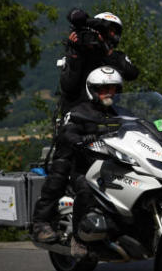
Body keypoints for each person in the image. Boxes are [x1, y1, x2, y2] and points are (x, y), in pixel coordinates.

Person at [31, 10, 138, 243]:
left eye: (112, 30)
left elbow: (131, 72)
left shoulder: (113, 56)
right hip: (76, 120)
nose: (107, 34)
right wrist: (75, 53)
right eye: (103, 29)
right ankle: (40, 222)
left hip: (106, 119)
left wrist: (106, 53)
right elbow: (68, 86)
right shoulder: (79, 51)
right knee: (63, 166)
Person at [38, 67, 123, 257]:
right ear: (92, 90)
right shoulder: (79, 112)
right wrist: (79, 139)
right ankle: (79, 237)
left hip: (113, 165)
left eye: (113, 88)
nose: (110, 92)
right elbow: (68, 131)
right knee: (86, 188)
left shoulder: (120, 112)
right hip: (85, 168)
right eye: (104, 88)